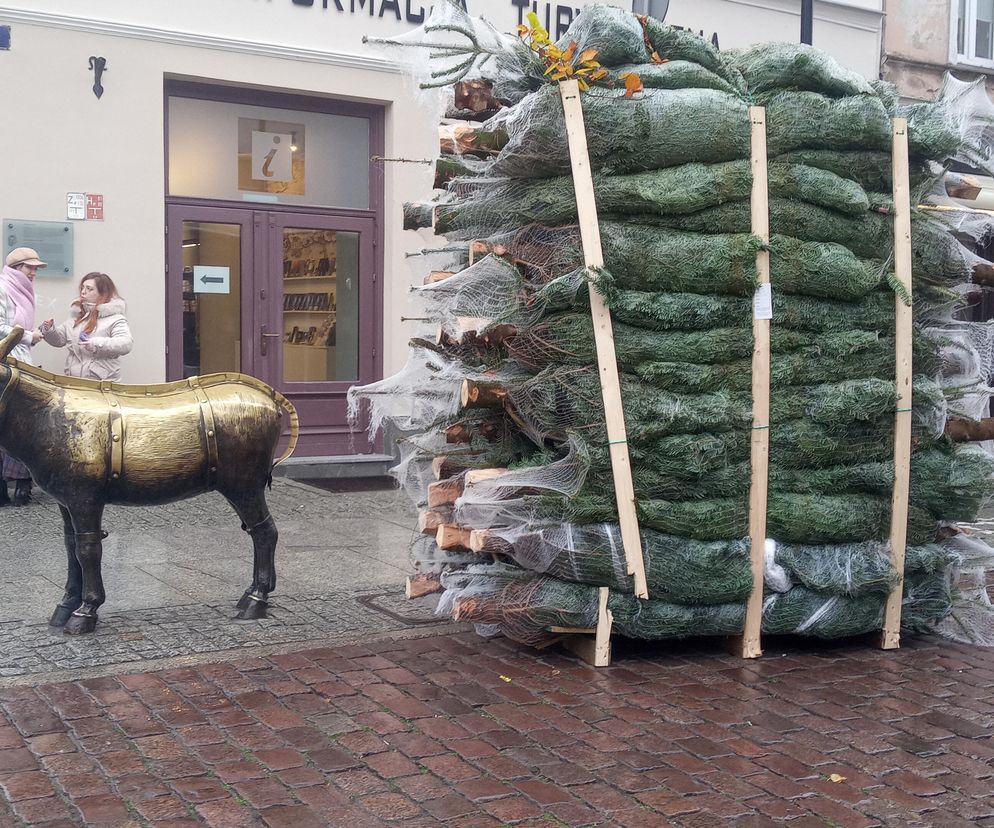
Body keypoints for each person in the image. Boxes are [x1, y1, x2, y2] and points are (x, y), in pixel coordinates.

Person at [0, 247, 45, 506]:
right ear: (17, 268)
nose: (33, 272)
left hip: (21, 364)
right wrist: (29, 335)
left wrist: (34, 335)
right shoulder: (4, 289)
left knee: (21, 427)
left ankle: (22, 484)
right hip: (6, 364)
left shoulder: (24, 291)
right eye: (30, 267)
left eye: (35, 268)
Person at [40, 272, 133, 382]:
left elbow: (126, 344)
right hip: (73, 383)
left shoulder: (115, 319)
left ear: (102, 293)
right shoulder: (76, 317)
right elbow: (59, 340)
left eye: (89, 289)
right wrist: (49, 330)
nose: (83, 292)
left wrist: (96, 344)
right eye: (82, 288)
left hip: (102, 386)